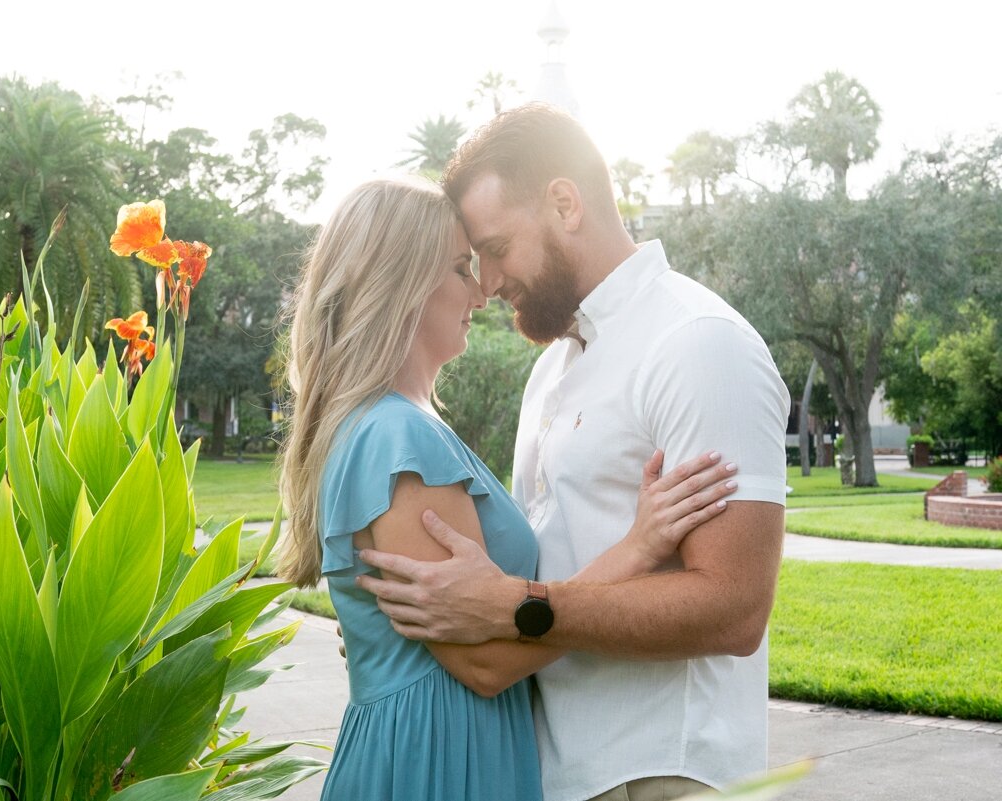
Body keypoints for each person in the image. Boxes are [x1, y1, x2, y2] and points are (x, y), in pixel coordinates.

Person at [356, 104, 791, 801]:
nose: (489, 283)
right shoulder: (552, 368)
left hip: (663, 772)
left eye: (496, 249)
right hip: (555, 770)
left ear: (564, 202)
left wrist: (518, 607)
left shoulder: (699, 343)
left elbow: (735, 608)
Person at [275, 175, 741, 801]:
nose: (482, 290)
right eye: (461, 268)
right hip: (439, 759)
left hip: (446, 743)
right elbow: (485, 663)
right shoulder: (396, 440)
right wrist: (639, 546)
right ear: (402, 284)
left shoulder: (404, 427)